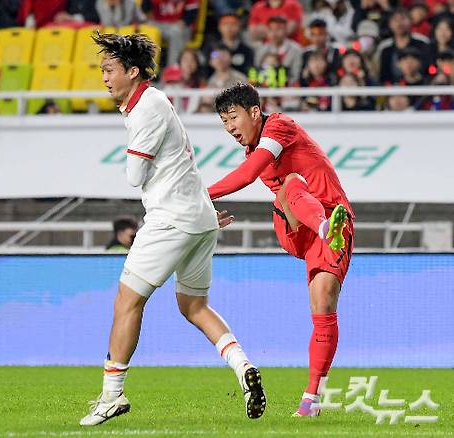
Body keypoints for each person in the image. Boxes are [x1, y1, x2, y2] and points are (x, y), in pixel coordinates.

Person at [79, 33, 266, 426]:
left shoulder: (147, 107)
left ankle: (112, 395)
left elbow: (134, 176)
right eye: (102, 70)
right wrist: (203, 210)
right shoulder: (151, 102)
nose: (104, 77)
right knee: (193, 306)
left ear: (132, 71)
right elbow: (183, 167)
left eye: (110, 70)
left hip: (169, 220)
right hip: (197, 217)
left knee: (126, 303)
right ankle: (242, 366)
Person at [208, 82, 354, 417]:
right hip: (299, 224)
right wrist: (200, 205)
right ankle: (321, 227)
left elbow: (245, 176)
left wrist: (198, 196)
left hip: (334, 218)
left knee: (323, 304)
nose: (229, 128)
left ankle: (312, 399)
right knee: (291, 184)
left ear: (255, 113)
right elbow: (248, 174)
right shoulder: (254, 151)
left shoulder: (280, 127)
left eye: (233, 118)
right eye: (224, 122)